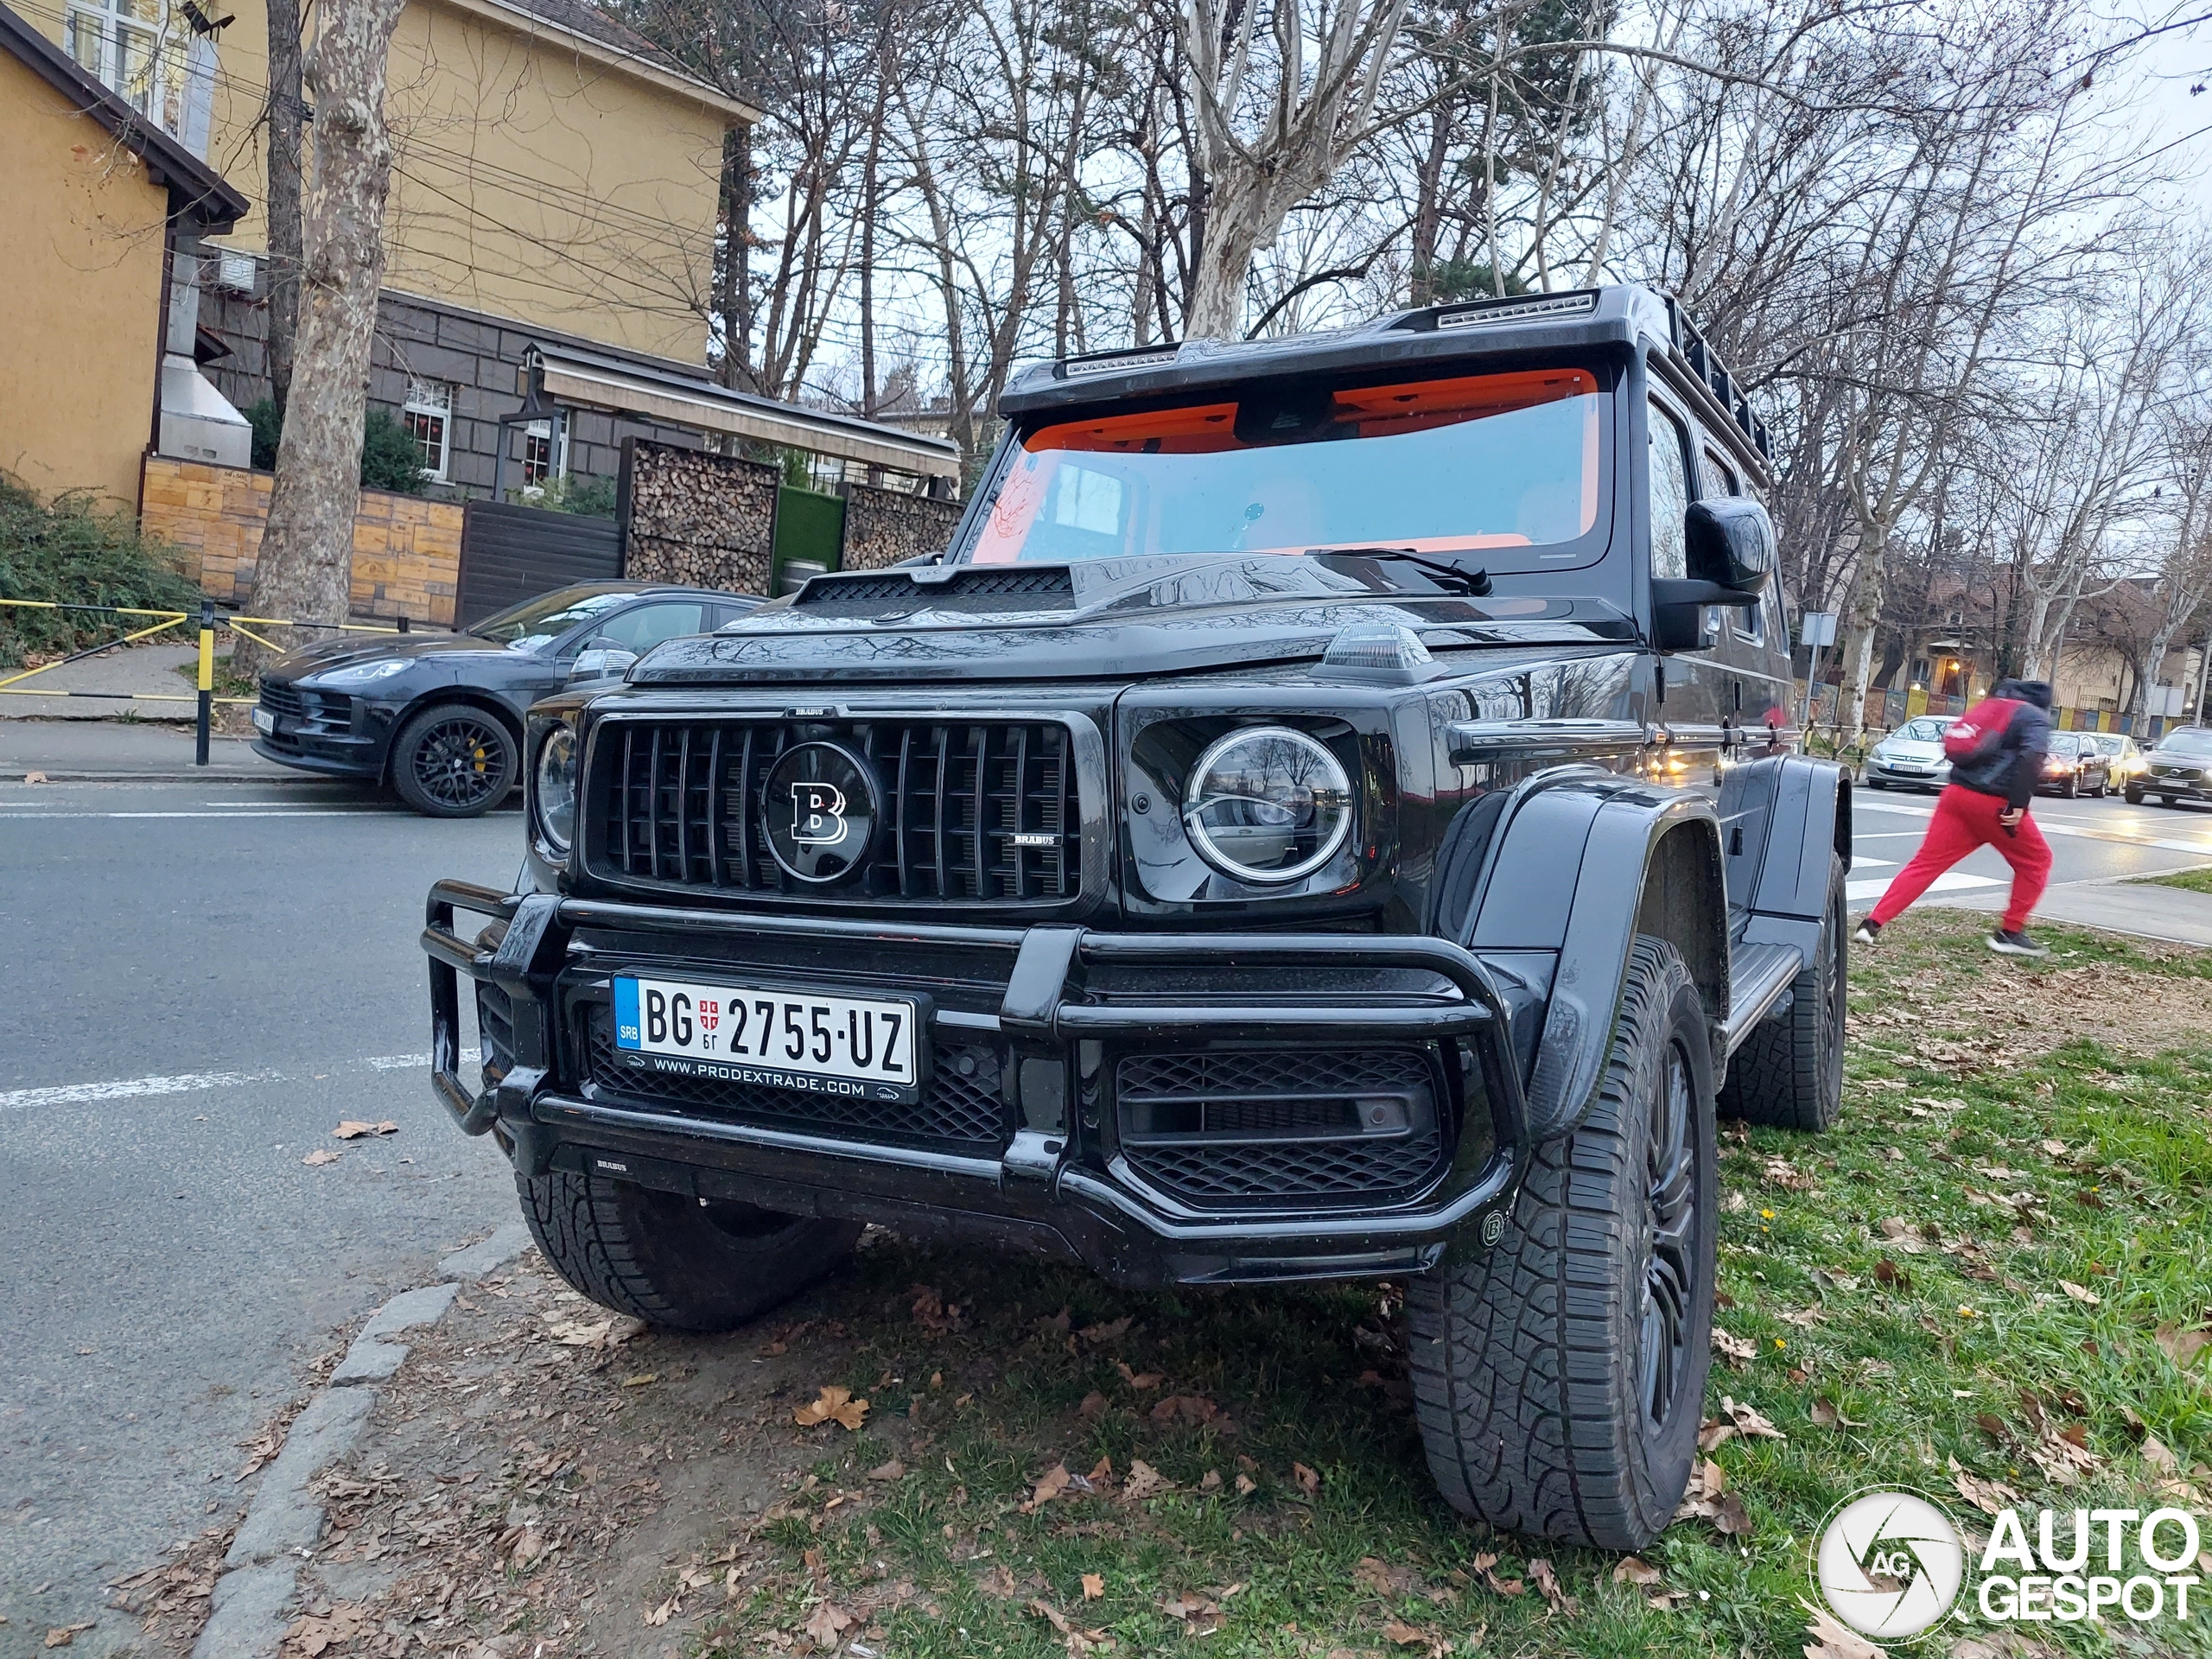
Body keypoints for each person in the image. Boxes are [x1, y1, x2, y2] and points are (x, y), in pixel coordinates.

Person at [1853, 679, 2055, 957]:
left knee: (1926, 863)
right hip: (1995, 804)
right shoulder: (2033, 717)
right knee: (2036, 861)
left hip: (1956, 796)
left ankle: (1872, 923)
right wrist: (2018, 804)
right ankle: (2010, 932)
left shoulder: (1991, 707)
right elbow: (2033, 755)